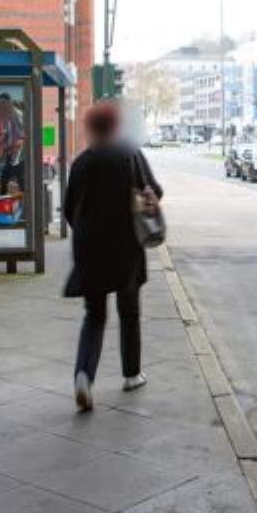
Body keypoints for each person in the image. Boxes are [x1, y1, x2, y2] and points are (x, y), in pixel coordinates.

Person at [64, 101, 163, 412]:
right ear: (116, 127)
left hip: (90, 250)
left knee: (94, 316)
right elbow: (154, 191)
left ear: (90, 129)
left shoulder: (81, 163)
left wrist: (86, 232)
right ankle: (132, 374)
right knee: (129, 311)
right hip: (126, 248)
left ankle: (84, 376)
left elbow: (69, 209)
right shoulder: (130, 155)